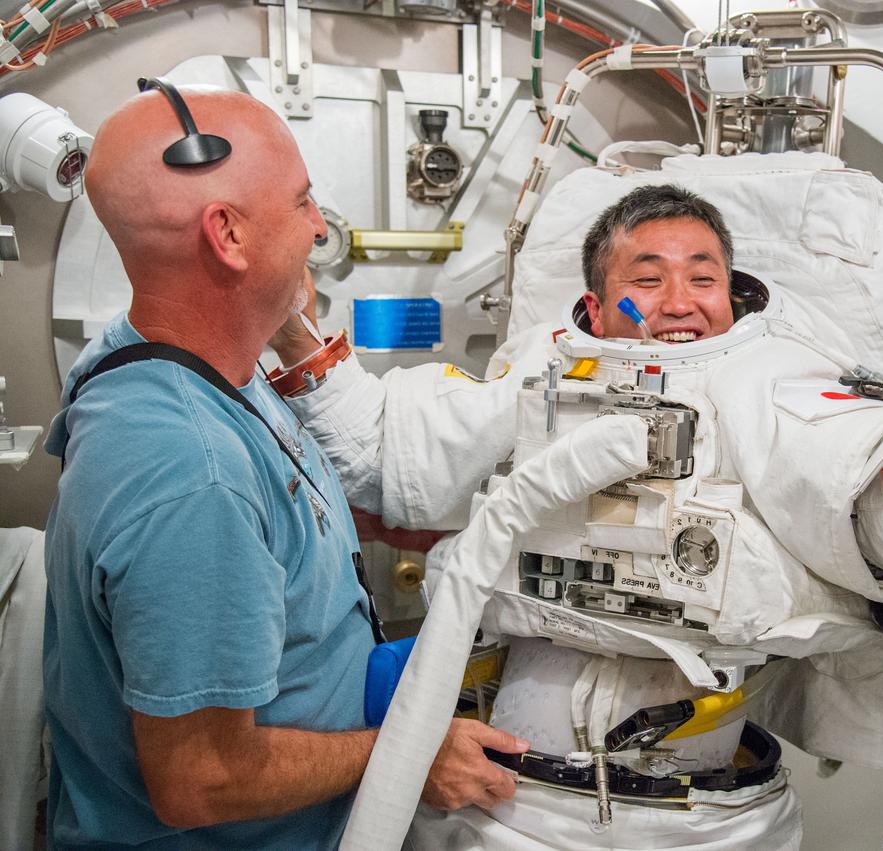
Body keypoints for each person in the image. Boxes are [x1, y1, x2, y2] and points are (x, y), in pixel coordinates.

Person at [272, 183, 883, 848]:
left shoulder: (777, 381)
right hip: (503, 806)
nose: (680, 300)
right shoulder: (538, 371)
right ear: (596, 301)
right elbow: (390, 451)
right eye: (647, 278)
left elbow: (871, 510)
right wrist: (296, 334)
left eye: (704, 276)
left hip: (706, 825)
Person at [41, 83, 527, 850]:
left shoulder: (164, 356)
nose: (317, 228)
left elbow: (254, 513)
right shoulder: (188, 472)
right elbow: (202, 778)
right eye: (303, 204)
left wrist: (371, 520)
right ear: (226, 236)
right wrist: (407, 755)